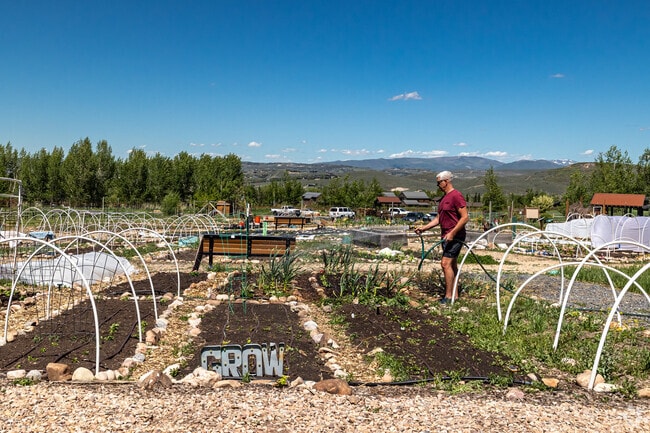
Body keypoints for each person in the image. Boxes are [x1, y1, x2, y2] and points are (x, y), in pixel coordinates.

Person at [414, 171, 469, 303]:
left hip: (455, 236)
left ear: (447, 181)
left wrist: (452, 233)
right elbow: (439, 218)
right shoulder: (444, 198)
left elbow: (465, 217)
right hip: (446, 236)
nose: (438, 185)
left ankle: (448, 297)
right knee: (452, 266)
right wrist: (424, 228)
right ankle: (454, 296)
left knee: (445, 264)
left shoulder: (456, 196)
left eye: (439, 182)